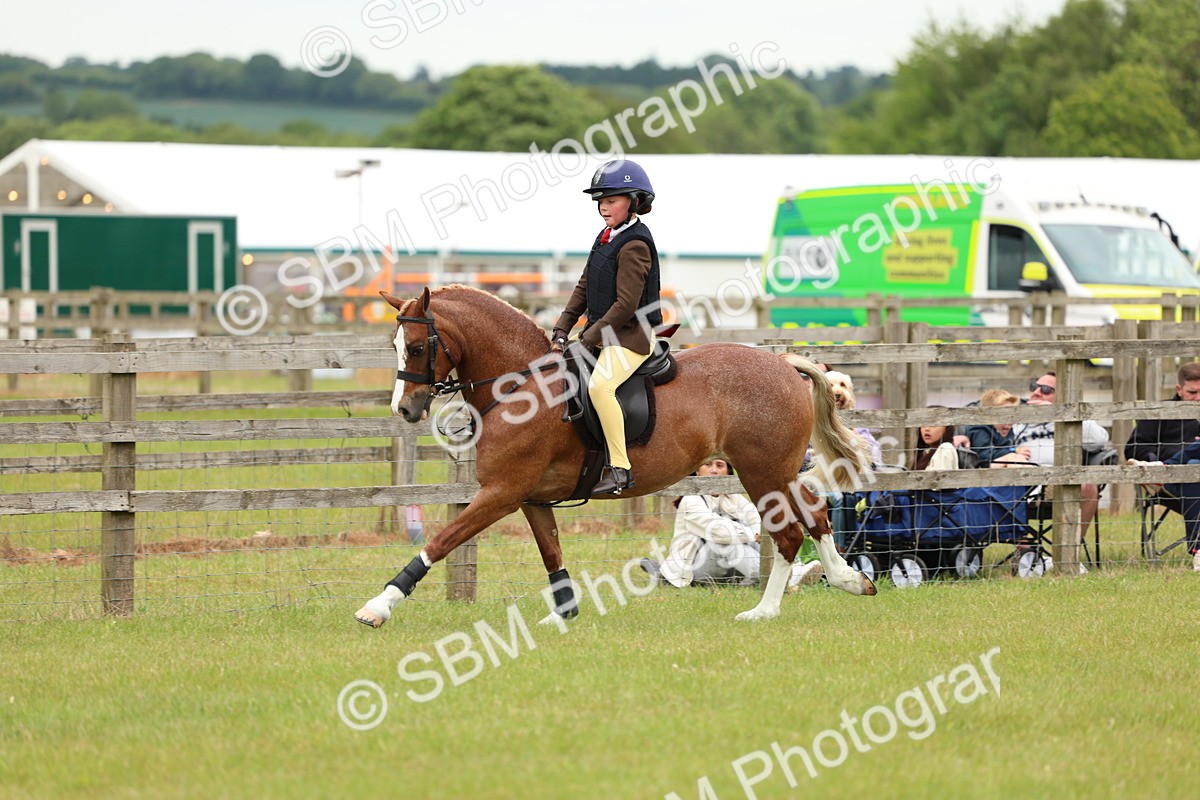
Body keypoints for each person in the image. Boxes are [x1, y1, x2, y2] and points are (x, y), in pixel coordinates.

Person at [551, 159, 661, 495]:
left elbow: (626, 304)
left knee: (600, 388)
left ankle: (620, 468)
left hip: (630, 338)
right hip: (604, 334)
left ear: (634, 201)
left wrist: (587, 337)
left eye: (611, 200)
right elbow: (585, 285)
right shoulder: (606, 237)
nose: (603, 207)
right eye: (600, 201)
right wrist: (562, 327)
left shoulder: (634, 245)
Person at [1011, 371, 1109, 534]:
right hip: (1021, 480)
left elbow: (1099, 440)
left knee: (1089, 487)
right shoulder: (1017, 419)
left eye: (1046, 390)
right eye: (1034, 387)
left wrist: (1062, 413)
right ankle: (1025, 553)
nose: (1036, 392)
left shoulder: (1070, 421)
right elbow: (993, 442)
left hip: (1062, 480)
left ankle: (1070, 553)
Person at [1125, 362, 1200, 571]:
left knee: (1194, 464)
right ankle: (1199, 550)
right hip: (1172, 483)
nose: (1198, 398)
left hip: (1180, 474)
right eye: (1192, 392)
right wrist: (1151, 458)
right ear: (1179, 389)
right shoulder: (1161, 412)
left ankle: (1198, 550)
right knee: (1194, 467)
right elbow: (1133, 448)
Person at [645, 458, 763, 587]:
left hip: (728, 566)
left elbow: (758, 521)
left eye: (719, 465)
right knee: (723, 541)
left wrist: (758, 534)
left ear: (728, 472)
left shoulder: (734, 497)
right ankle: (762, 576)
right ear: (697, 471)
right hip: (695, 569)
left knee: (762, 538)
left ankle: (774, 574)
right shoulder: (690, 501)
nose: (714, 470)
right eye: (708, 465)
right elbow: (721, 531)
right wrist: (755, 535)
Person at [965, 389, 1031, 468]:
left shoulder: (1006, 430)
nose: (1009, 422)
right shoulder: (979, 428)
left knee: (1018, 458)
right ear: (990, 415)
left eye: (1012, 417)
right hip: (981, 468)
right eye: (1004, 417)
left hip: (997, 465)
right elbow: (985, 455)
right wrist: (1013, 451)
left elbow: (1007, 447)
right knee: (1012, 458)